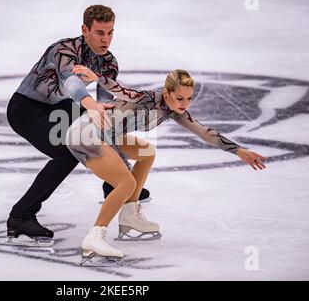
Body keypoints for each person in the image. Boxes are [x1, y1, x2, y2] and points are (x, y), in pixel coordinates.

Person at [66, 66, 267, 262]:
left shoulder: (174, 112)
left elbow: (204, 132)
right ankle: (95, 236)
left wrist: (239, 151)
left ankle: (129, 214)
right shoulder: (149, 98)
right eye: (180, 98)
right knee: (125, 183)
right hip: (86, 133)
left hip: (108, 135)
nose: (185, 103)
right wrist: (97, 77)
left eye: (189, 98)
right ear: (167, 93)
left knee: (147, 152)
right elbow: (121, 90)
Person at [5, 5, 148, 244]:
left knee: (100, 129)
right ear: (85, 29)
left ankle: (114, 184)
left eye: (110, 32)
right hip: (26, 108)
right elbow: (71, 81)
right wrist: (90, 104)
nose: (106, 39)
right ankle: (21, 215)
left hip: (59, 106)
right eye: (100, 32)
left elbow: (105, 105)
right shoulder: (63, 50)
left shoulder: (108, 62)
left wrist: (107, 113)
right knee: (68, 153)